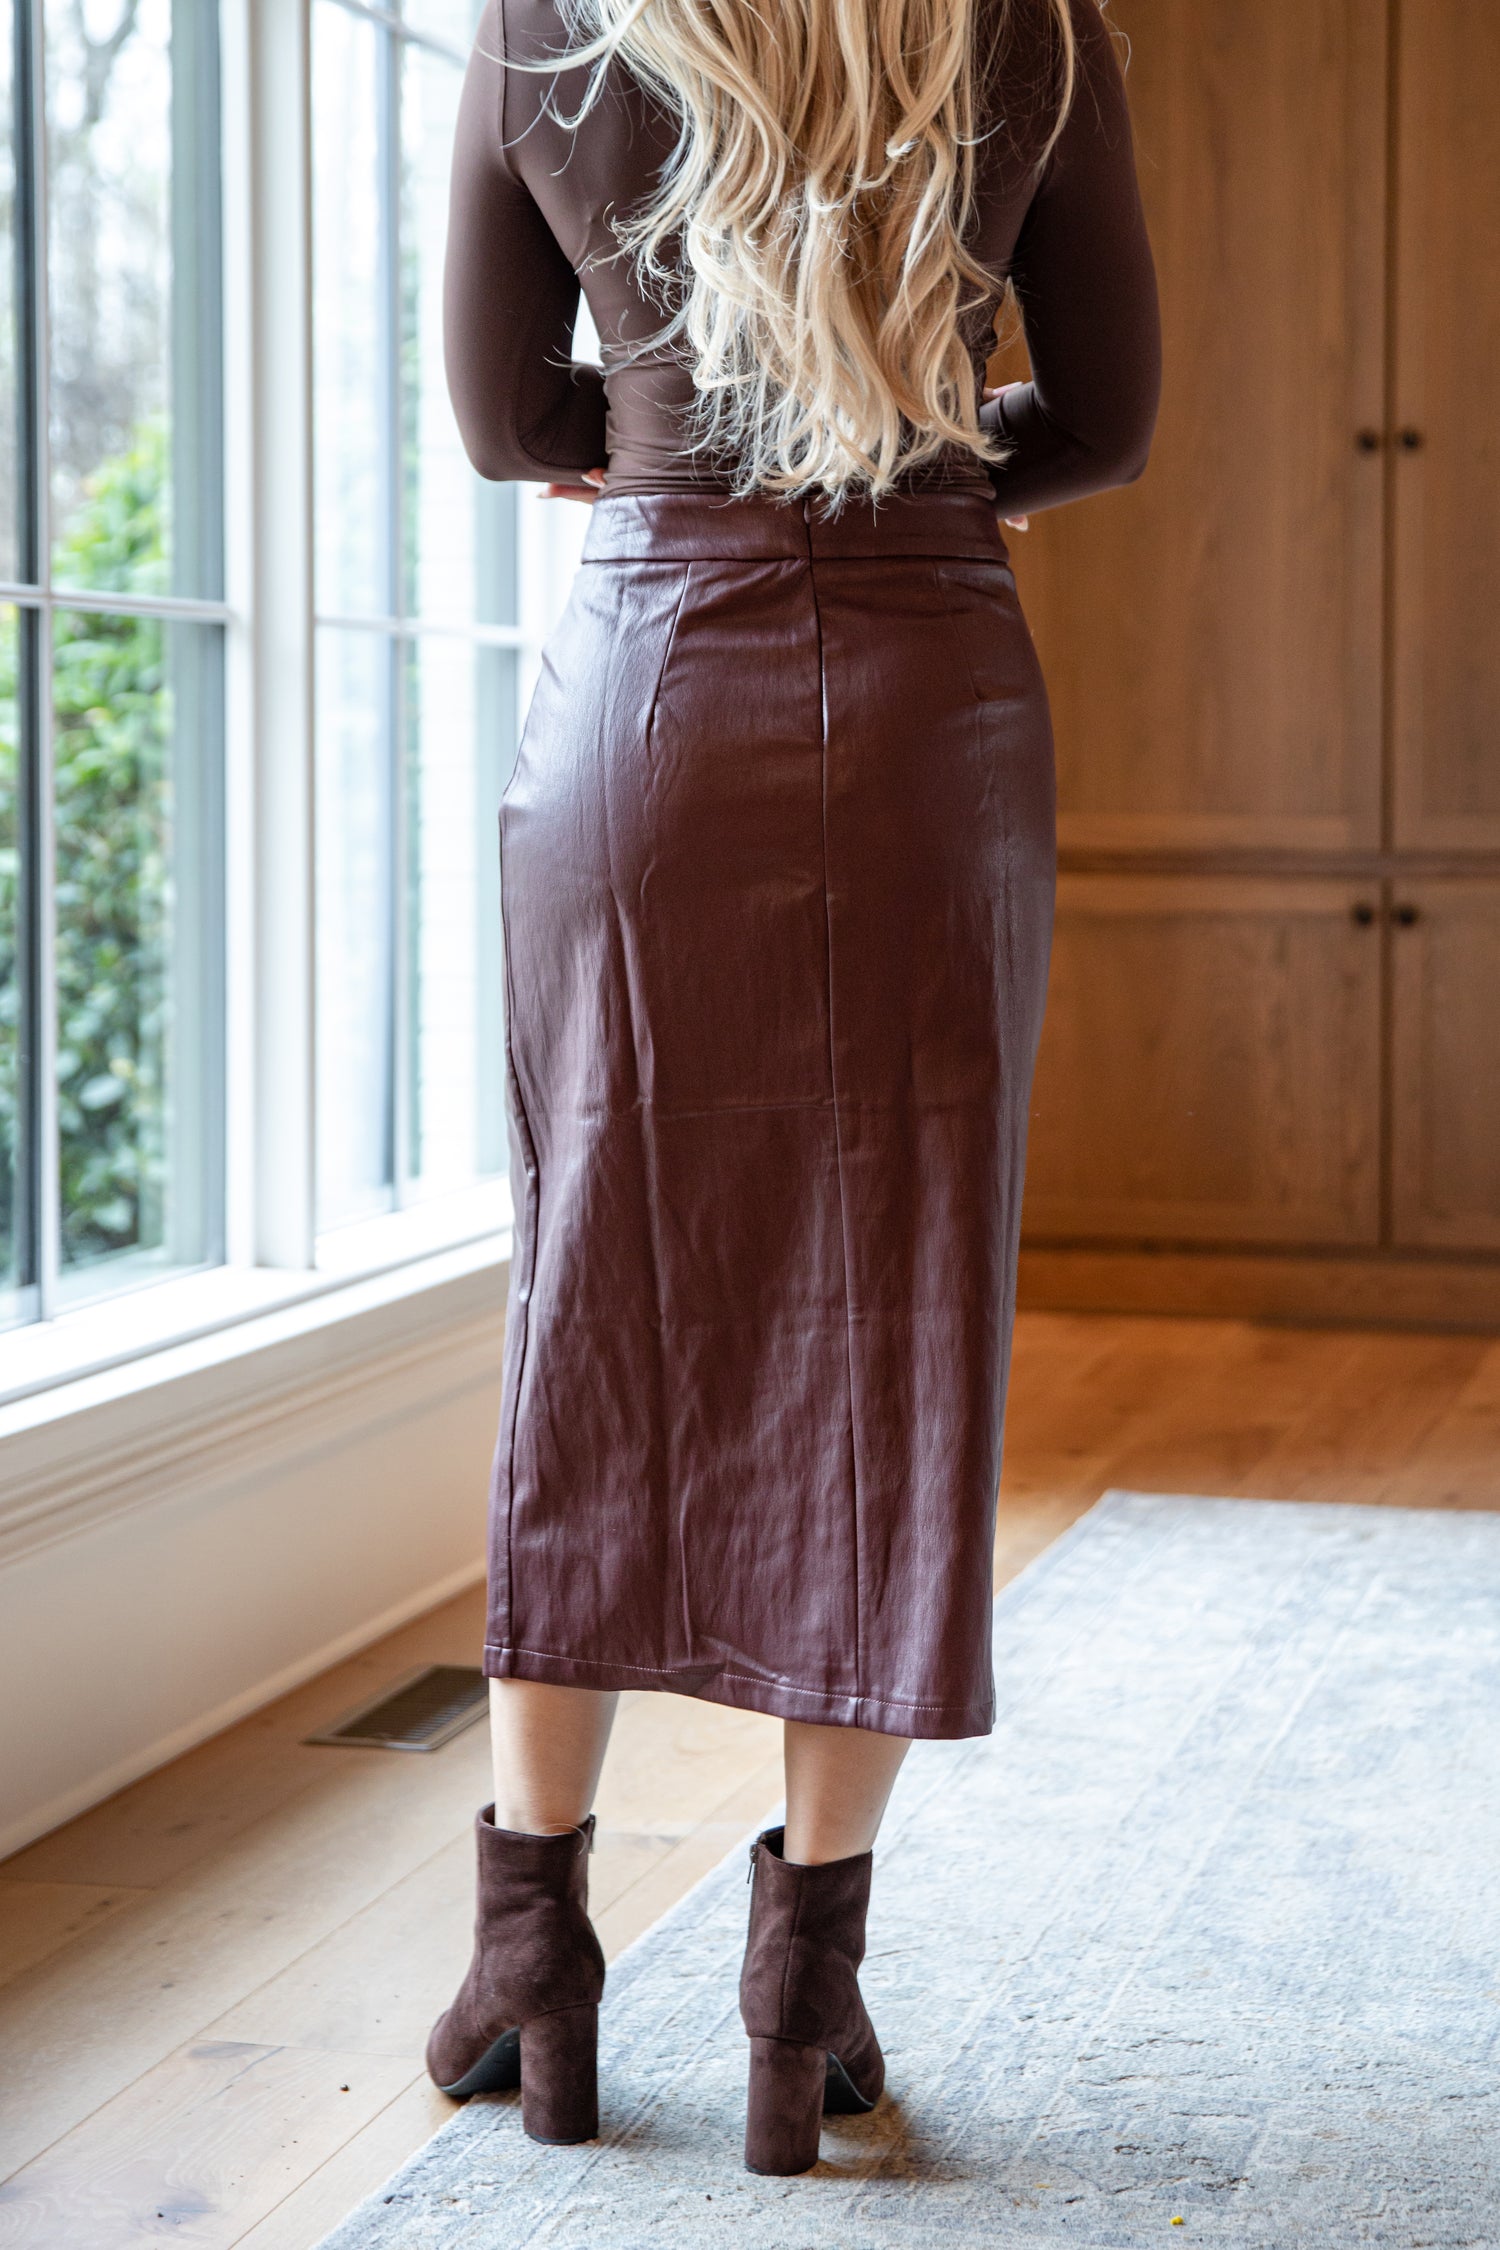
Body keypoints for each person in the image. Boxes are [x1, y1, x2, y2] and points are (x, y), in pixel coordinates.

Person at [425, 0, 1159, 2176]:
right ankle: (801, 1987)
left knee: (593, 1306)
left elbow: (495, 416)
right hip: (934, 696)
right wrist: (901, 452)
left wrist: (672, 443)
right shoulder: (1026, 26)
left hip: (647, 686)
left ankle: (530, 1954)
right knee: (899, 1327)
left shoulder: (553, 21)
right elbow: (1105, 424)